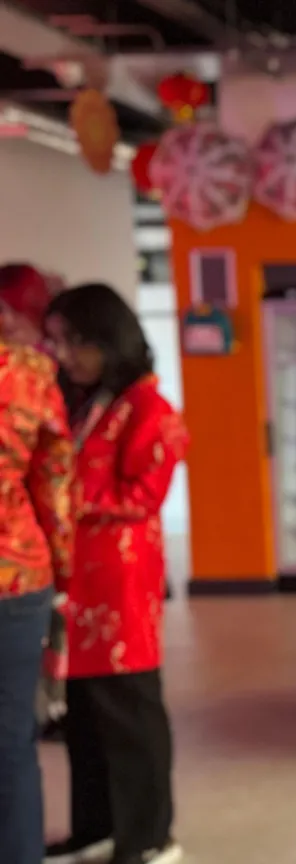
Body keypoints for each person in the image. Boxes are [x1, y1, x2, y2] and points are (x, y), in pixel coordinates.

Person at [42, 284, 187, 864]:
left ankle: (151, 837)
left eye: (77, 341)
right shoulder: (92, 402)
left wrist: (63, 493)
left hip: (121, 585)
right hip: (80, 583)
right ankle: (96, 828)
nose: (66, 355)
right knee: (83, 716)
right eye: (59, 342)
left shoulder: (150, 408)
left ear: (110, 338)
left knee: (129, 713)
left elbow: (145, 494)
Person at [0, 264, 75, 864]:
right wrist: (64, 570)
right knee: (10, 740)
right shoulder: (28, 375)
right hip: (17, 572)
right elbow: (54, 483)